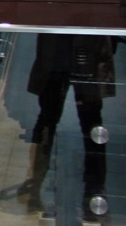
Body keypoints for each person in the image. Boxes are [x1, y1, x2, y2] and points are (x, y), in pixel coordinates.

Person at [27, 34, 117, 205]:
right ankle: (38, 183)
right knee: (53, 120)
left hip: (83, 49)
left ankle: (94, 189)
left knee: (89, 125)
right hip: (62, 50)